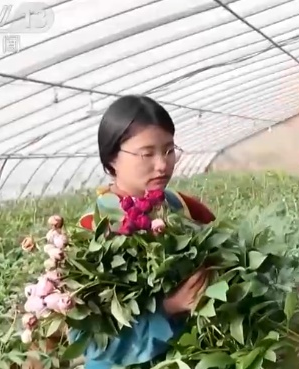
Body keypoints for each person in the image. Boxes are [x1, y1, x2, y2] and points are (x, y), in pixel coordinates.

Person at [30, 95, 216, 369]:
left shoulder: (182, 206)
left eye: (168, 150)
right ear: (112, 158)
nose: (162, 164)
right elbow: (92, 340)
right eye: (147, 153)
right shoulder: (91, 231)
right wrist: (170, 308)